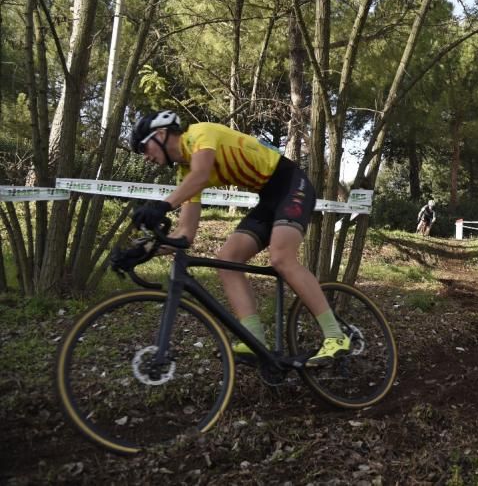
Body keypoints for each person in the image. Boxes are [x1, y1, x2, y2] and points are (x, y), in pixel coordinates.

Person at [129, 110, 349, 367]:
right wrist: (143, 251)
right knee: (227, 259)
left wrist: (163, 206)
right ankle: (255, 341)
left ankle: (336, 336)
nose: (145, 157)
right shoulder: (184, 171)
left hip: (291, 184)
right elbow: (184, 234)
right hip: (268, 199)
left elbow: (201, 174)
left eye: (145, 147)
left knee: (281, 257)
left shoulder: (201, 134)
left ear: (162, 134)